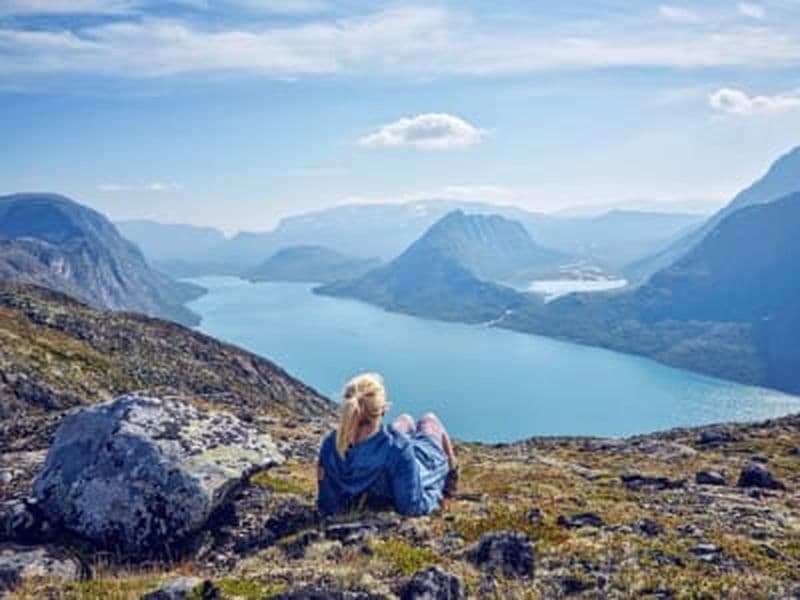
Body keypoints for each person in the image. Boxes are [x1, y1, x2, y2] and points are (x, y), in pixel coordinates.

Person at [317, 373, 457, 517]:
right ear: (382, 410)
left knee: (405, 420)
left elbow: (328, 502)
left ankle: (407, 422)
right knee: (429, 419)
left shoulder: (331, 445)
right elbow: (411, 507)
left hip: (394, 453)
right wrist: (436, 495)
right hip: (419, 465)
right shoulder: (397, 449)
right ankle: (451, 481)